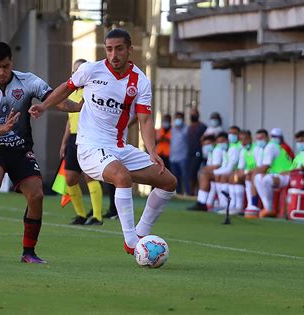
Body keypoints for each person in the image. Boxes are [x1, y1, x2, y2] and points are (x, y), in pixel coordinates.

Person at [29, 28, 177, 255]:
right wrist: (44, 105)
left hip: (119, 148)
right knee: (122, 177)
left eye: (119, 49)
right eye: (109, 49)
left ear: (130, 49)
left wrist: (152, 151)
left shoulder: (140, 81)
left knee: (168, 182)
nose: (113, 54)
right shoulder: (90, 70)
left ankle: (141, 231)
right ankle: (131, 242)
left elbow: (145, 120)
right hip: (89, 147)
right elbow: (65, 89)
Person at [0, 42, 80, 264]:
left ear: (11, 62)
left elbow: (57, 101)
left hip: (21, 149)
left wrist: (80, 106)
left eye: (5, 66)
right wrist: (1, 129)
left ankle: (28, 252)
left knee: (37, 195)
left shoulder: (28, 81)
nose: (2, 72)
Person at [59, 59, 104, 225]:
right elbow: (70, 121)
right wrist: (64, 142)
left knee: (90, 177)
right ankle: (81, 214)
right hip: (72, 139)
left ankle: (97, 216)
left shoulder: (93, 91)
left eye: (80, 71)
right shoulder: (70, 92)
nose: (76, 74)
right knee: (70, 178)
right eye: (74, 71)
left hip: (89, 138)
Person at [253, 128, 293, 218]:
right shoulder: (261, 149)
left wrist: (251, 173)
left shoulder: (271, 146)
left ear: (267, 138)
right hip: (276, 175)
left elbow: (264, 167)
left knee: (265, 179)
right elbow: (260, 168)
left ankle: (268, 208)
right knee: (258, 177)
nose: (259, 140)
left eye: (262, 138)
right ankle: (267, 208)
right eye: (257, 138)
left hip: (287, 176)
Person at [187, 133, 225, 211]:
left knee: (204, 175)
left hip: (222, 172)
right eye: (204, 145)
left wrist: (204, 170)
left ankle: (202, 202)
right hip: (218, 172)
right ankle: (202, 202)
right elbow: (210, 166)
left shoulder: (217, 150)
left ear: (214, 142)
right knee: (203, 174)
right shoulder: (211, 152)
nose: (206, 146)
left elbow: (216, 166)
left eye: (208, 144)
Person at [186, 108, 207, 195]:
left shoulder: (202, 127)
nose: (192, 115)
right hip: (190, 153)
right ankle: (190, 193)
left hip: (198, 153)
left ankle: (198, 192)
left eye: (194, 114)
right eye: (191, 114)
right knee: (190, 174)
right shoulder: (189, 127)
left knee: (197, 174)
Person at [169, 111, 190, 195]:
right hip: (173, 157)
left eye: (180, 118)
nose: (178, 120)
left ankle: (187, 193)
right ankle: (178, 193)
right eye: (176, 118)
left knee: (185, 176)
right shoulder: (172, 129)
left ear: (183, 119)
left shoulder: (186, 129)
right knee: (175, 177)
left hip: (183, 156)